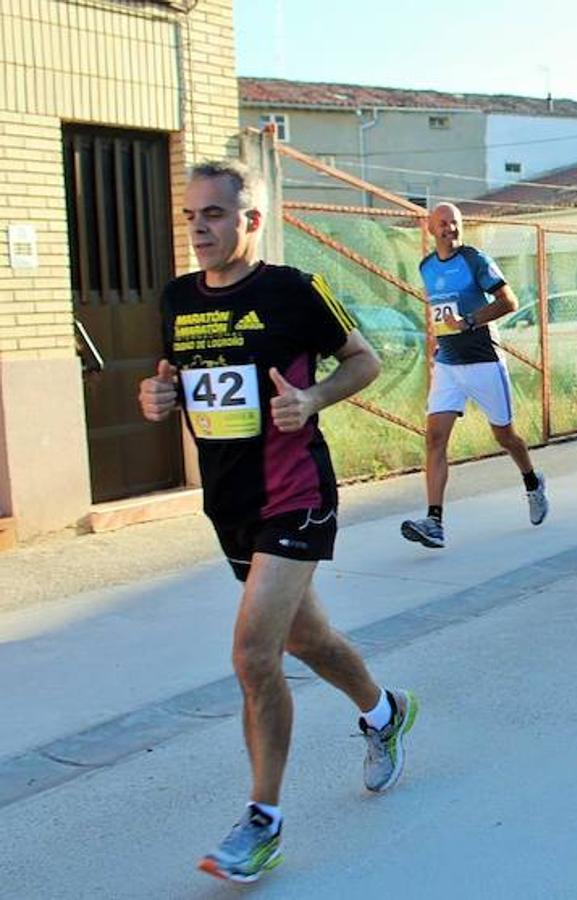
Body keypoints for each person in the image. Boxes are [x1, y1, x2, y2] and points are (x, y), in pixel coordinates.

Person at [138, 160, 417, 883]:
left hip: (294, 491)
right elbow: (177, 379)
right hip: (228, 500)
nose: (200, 228)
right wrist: (158, 397)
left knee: (253, 655)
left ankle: (262, 821)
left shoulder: (292, 291)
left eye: (215, 215)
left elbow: (364, 360)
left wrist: (313, 398)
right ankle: (386, 711)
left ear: (250, 220)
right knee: (308, 639)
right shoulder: (175, 299)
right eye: (192, 217)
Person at [400, 203, 547, 550]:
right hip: (448, 364)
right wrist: (438, 341)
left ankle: (531, 481)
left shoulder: (474, 259)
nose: (449, 229)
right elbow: (438, 309)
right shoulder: (425, 266)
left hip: (483, 360)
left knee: (505, 436)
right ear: (430, 228)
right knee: (435, 438)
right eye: (442, 224)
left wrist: (468, 321)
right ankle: (434, 521)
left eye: (454, 223)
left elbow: (508, 301)